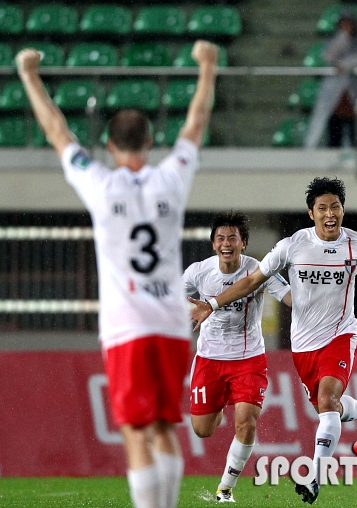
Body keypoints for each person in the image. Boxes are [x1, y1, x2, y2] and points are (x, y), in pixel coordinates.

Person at [16, 40, 218, 508]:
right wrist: (207, 67)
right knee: (166, 428)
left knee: (134, 431)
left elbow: (58, 134)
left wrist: (29, 74)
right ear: (149, 143)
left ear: (108, 146)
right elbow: (196, 123)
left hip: (126, 326)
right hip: (170, 322)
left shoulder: (101, 184)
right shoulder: (171, 177)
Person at [190, 177, 357, 505]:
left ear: (343, 210)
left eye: (335, 207)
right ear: (311, 213)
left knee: (327, 402)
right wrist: (212, 304)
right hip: (303, 347)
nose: (330, 213)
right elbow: (253, 280)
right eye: (322, 208)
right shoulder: (292, 245)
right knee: (331, 408)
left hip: (341, 336)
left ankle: (314, 478)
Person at [183, 211, 292, 503]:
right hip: (209, 357)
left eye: (233, 237)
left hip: (248, 358)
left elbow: (288, 296)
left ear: (244, 243)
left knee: (246, 422)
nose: (226, 243)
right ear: (213, 244)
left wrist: (316, 301)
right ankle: (216, 405)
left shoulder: (258, 269)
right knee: (202, 430)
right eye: (220, 238)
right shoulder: (199, 272)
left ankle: (225, 488)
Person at [304, 9, 357, 149]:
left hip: (353, 91)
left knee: (356, 132)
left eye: (349, 22)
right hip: (334, 93)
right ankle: (309, 152)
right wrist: (343, 36)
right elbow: (328, 56)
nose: (347, 25)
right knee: (333, 133)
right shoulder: (333, 39)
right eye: (343, 22)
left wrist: (345, 65)